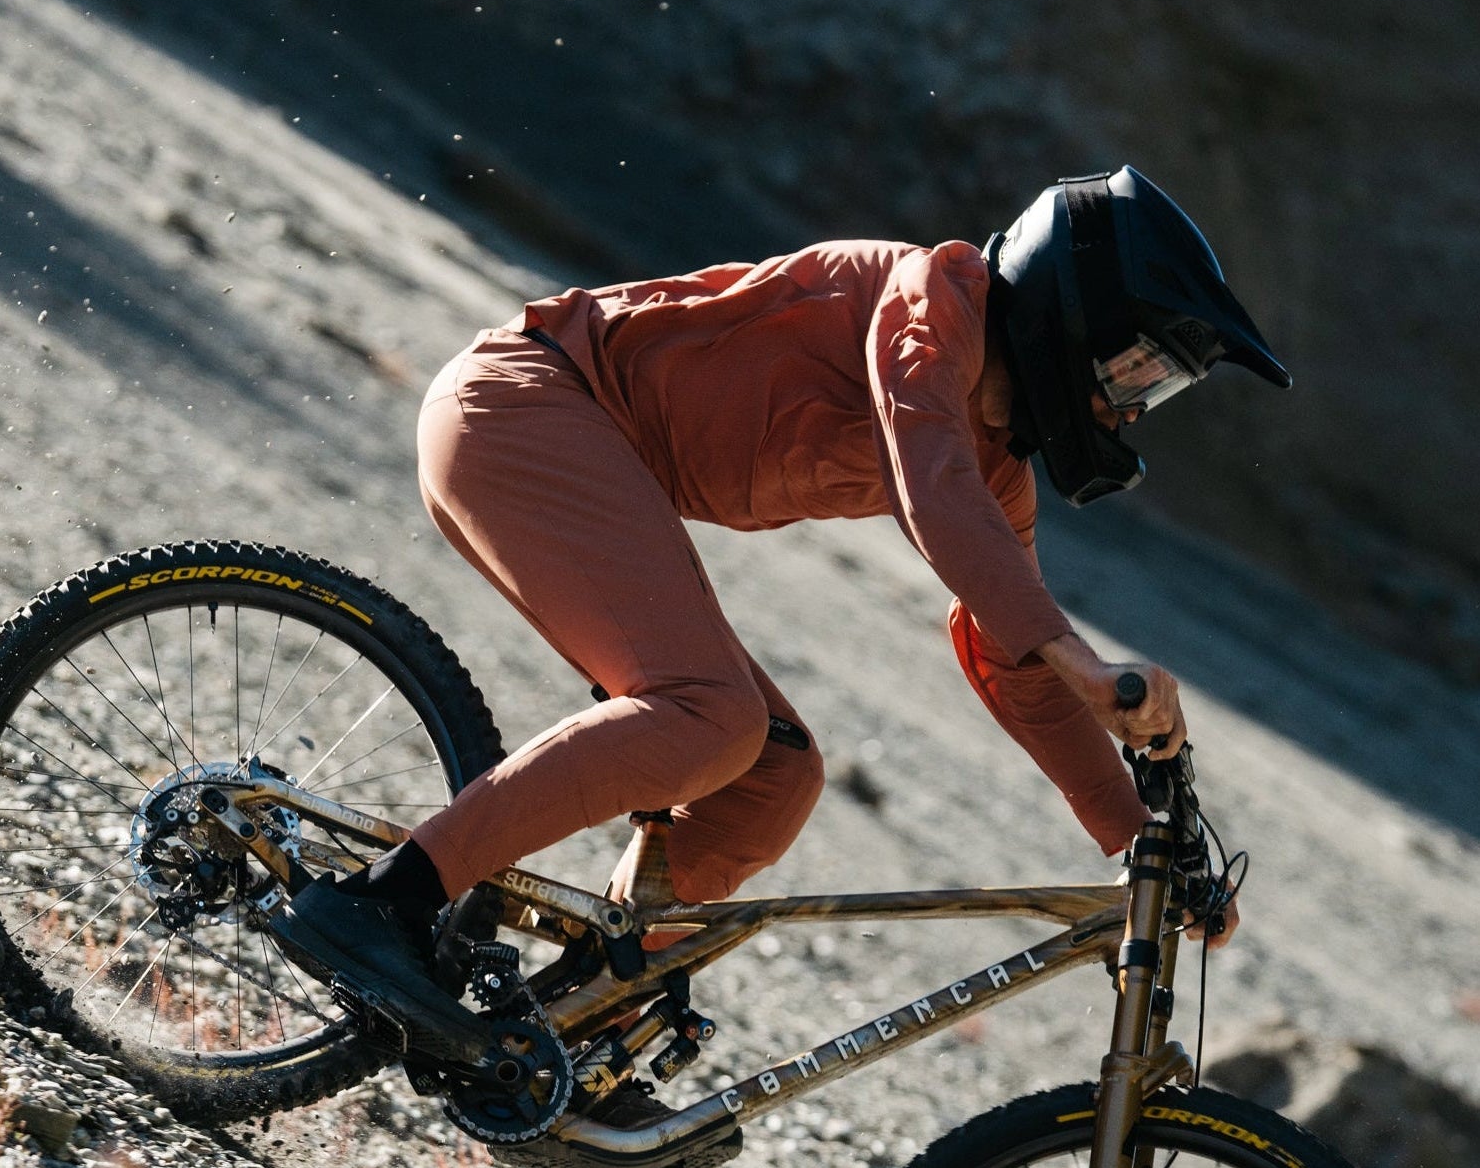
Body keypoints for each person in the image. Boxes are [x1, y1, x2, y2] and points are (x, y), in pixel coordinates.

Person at [271, 165, 1290, 1115]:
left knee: (771, 773)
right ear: (1080, 313)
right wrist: (1080, 656)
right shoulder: (929, 304)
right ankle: (380, 902)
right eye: (1139, 370)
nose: (1131, 408)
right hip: (520, 408)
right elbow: (933, 493)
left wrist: (1133, 834)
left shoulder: (995, 464)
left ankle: (568, 1032)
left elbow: (1007, 659)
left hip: (577, 450)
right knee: (708, 714)